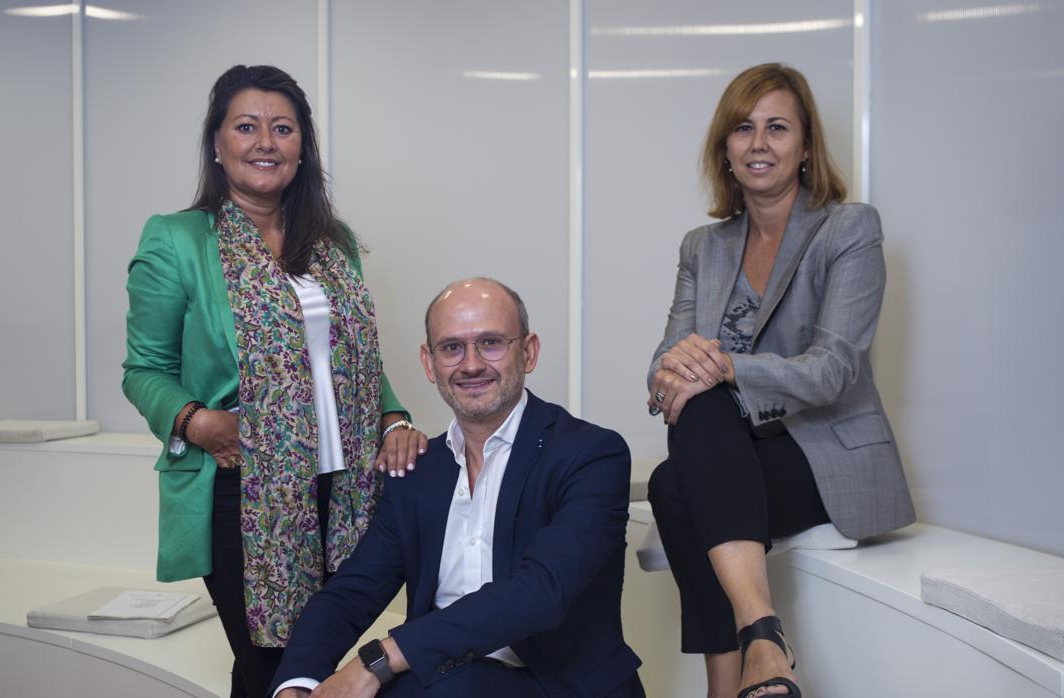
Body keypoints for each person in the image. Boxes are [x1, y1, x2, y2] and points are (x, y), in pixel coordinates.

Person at [122, 64, 428, 698]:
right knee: (272, 662)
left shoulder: (332, 240)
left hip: (341, 486)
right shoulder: (178, 240)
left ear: (301, 148)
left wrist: (393, 417)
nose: (266, 141)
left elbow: (355, 359)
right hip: (242, 487)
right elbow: (144, 369)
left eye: (282, 128)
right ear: (217, 142)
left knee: (300, 660)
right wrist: (193, 421)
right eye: (246, 126)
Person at [644, 63, 915, 698]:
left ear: (806, 148)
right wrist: (675, 374)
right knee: (684, 452)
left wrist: (724, 366)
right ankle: (760, 643)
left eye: (776, 128)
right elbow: (665, 363)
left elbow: (834, 369)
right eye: (743, 128)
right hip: (729, 456)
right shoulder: (701, 248)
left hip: (822, 460)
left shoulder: (848, 229)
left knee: (677, 472)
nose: (758, 143)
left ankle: (735, 668)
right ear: (725, 149)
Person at [270, 278, 645, 698]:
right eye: (452, 348)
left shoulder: (591, 454)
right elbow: (353, 591)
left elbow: (540, 591)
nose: (470, 365)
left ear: (529, 351)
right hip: (441, 677)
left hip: (558, 684)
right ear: (430, 364)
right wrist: (296, 683)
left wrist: (381, 659)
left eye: (490, 343)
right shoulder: (417, 469)